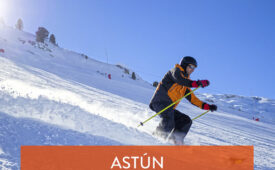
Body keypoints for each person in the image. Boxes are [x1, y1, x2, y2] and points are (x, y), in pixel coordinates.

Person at [149, 56, 217, 144]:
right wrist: (196, 83)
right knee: (168, 119)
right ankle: (154, 140)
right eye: (191, 66)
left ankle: (174, 142)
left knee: (186, 120)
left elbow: (193, 98)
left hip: (169, 107)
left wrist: (206, 106)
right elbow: (179, 79)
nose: (193, 70)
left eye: (194, 68)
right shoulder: (174, 71)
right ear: (184, 65)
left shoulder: (185, 84)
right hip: (159, 102)